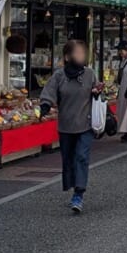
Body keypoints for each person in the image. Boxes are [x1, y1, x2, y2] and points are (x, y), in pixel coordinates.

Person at [39, 40, 97, 213]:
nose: (80, 56)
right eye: (77, 53)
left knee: (81, 157)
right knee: (69, 159)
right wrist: (45, 106)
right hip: (65, 125)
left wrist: (98, 93)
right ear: (67, 56)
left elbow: (99, 92)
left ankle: (79, 194)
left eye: (82, 53)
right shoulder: (59, 76)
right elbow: (49, 93)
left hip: (85, 124)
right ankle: (73, 187)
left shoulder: (89, 74)